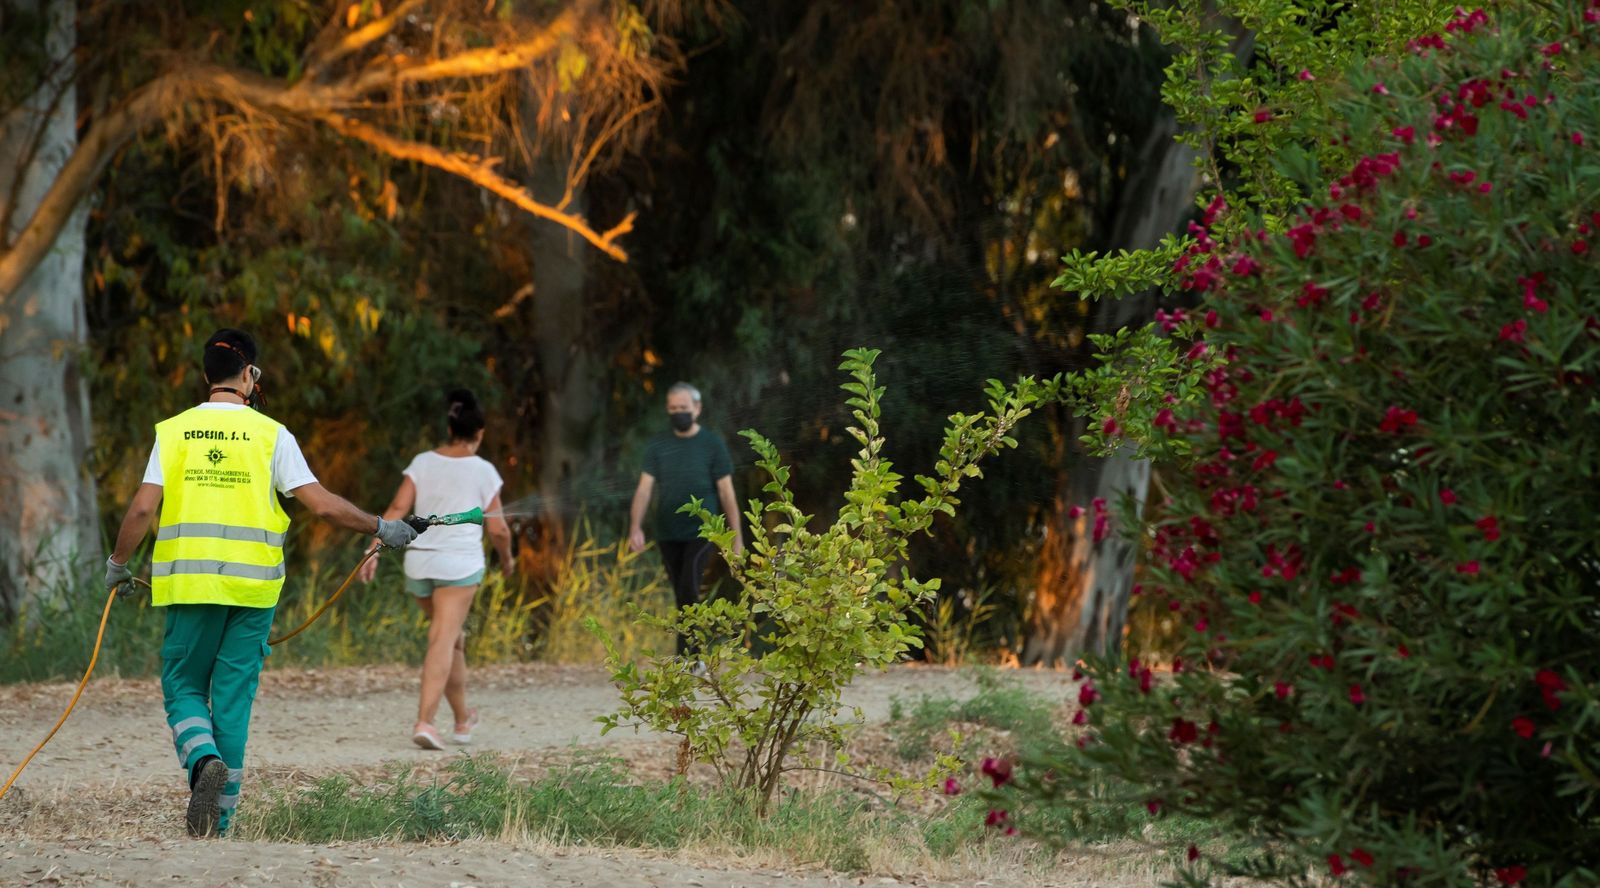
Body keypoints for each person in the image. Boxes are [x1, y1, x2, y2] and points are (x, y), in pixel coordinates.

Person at [104, 328, 419, 838]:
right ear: (249, 374)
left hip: (191, 586)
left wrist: (118, 563)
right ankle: (220, 822)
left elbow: (143, 506)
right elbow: (320, 503)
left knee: (183, 687)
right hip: (253, 593)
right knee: (231, 700)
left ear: (208, 375)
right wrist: (381, 526)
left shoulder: (175, 431)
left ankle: (202, 761)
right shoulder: (272, 435)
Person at [360, 388, 513, 750]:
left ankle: (463, 720)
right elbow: (499, 528)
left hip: (420, 566)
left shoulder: (422, 462)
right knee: (443, 639)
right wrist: (507, 559)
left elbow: (397, 508)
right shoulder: (483, 469)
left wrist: (375, 546)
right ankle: (425, 722)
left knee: (452, 640)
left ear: (450, 426)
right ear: (479, 433)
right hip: (458, 568)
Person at [628, 382, 743, 656]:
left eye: (683, 408)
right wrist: (635, 527)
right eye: (673, 409)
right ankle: (692, 652)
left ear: (697, 409)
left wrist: (736, 537)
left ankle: (689, 657)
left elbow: (727, 493)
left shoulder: (712, 445)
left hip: (702, 530)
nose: (678, 413)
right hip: (667, 532)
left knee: (689, 587)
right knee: (682, 593)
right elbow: (644, 489)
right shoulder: (658, 446)